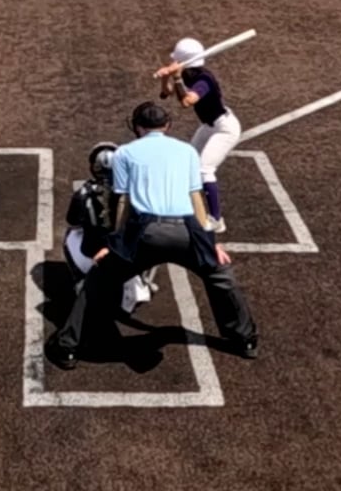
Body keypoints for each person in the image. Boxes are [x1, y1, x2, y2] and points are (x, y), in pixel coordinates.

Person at [45, 102, 258, 371]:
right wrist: (209, 244)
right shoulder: (187, 151)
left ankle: (67, 347)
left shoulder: (125, 153)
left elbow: (122, 204)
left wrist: (114, 245)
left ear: (137, 127)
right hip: (186, 231)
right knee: (221, 277)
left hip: (146, 233)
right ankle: (245, 340)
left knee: (98, 280)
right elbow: (196, 199)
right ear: (167, 125)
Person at [156, 38, 240, 233]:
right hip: (209, 126)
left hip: (224, 128)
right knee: (188, 161)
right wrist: (165, 77)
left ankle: (216, 220)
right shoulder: (187, 74)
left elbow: (187, 102)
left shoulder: (204, 80)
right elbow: (165, 94)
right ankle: (178, 204)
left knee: (205, 169)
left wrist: (177, 77)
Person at [63, 142, 159, 313]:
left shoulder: (83, 193)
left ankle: (82, 279)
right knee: (153, 236)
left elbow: (73, 221)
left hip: (93, 256)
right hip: (127, 257)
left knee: (70, 235)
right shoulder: (135, 192)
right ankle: (142, 281)